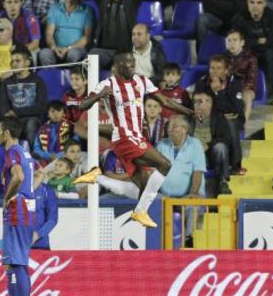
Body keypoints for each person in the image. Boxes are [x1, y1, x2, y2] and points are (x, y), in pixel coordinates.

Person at [73, 52, 194, 228]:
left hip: (136, 137)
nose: (132, 65)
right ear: (118, 65)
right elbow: (82, 105)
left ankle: (98, 177)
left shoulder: (142, 81)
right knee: (165, 164)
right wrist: (99, 96)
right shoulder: (108, 84)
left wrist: (189, 112)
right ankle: (140, 212)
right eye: (127, 62)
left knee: (143, 187)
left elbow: (165, 101)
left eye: (133, 62)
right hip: (124, 137)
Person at [0, 116, 35, 296]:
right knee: (17, 263)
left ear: (7, 133)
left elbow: (18, 177)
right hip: (28, 210)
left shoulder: (12, 152)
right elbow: (31, 178)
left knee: (14, 263)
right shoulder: (24, 152)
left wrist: (7, 196)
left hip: (17, 209)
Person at [156, 115, 206, 246]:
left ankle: (189, 239)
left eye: (175, 125)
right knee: (151, 200)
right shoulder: (161, 144)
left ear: (185, 129)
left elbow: (198, 171)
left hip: (189, 194)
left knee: (192, 205)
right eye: (169, 125)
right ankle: (155, 241)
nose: (170, 128)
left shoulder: (195, 144)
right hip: (166, 196)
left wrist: (194, 192)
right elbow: (154, 171)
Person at [232, 0, 273, 105]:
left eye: (259, 2)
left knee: (272, 52)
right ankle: (236, 94)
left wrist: (250, 42)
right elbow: (237, 42)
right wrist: (259, 41)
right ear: (247, 3)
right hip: (250, 52)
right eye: (252, 2)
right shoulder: (239, 18)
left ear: (264, 4)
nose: (255, 6)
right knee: (237, 54)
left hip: (271, 52)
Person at [195, 54, 245, 175]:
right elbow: (198, 108)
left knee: (229, 122)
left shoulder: (234, 83)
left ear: (226, 70)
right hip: (211, 119)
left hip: (233, 120)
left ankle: (235, 165)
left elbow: (235, 110)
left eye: (219, 68)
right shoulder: (202, 83)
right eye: (212, 68)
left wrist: (219, 93)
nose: (214, 72)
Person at [86, 0, 148, 69]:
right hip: (105, 51)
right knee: (91, 56)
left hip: (125, 53)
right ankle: (92, 84)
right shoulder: (103, 0)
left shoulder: (131, 2)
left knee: (127, 63)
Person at [0, 46, 47, 148]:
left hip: (32, 118)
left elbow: (41, 107)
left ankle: (35, 157)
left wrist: (17, 112)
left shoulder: (38, 81)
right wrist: (7, 114)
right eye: (12, 61)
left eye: (18, 61)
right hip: (13, 119)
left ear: (27, 63)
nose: (14, 64)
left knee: (31, 125)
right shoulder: (7, 82)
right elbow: (3, 105)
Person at [39, 0, 93, 66]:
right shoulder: (54, 9)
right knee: (44, 54)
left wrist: (68, 48)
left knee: (73, 55)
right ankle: (52, 78)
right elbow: (49, 33)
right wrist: (54, 47)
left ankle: (73, 78)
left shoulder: (87, 11)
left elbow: (87, 38)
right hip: (57, 49)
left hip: (76, 49)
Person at [190, 91, 232, 195]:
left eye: (200, 102)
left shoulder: (219, 118)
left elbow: (226, 138)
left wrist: (208, 145)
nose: (196, 104)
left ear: (209, 103)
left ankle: (223, 182)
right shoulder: (187, 118)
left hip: (211, 154)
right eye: (195, 102)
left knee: (221, 147)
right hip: (193, 154)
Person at [225, 29, 258, 120]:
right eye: (229, 41)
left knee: (247, 95)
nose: (232, 43)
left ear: (242, 42)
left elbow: (251, 79)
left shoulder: (250, 58)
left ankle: (243, 124)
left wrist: (237, 89)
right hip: (227, 88)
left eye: (235, 40)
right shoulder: (224, 57)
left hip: (244, 88)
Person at [33, 100, 72, 165]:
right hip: (46, 160)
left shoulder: (70, 127)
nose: (55, 114)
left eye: (59, 111)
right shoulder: (42, 128)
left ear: (64, 114)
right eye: (53, 111)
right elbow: (36, 148)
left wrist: (58, 156)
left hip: (65, 160)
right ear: (48, 114)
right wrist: (48, 156)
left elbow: (73, 145)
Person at [31, 181, 58, 250]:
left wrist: (38, 235)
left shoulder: (47, 190)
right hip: (19, 245)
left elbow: (52, 219)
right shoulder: (17, 188)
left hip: (41, 245)